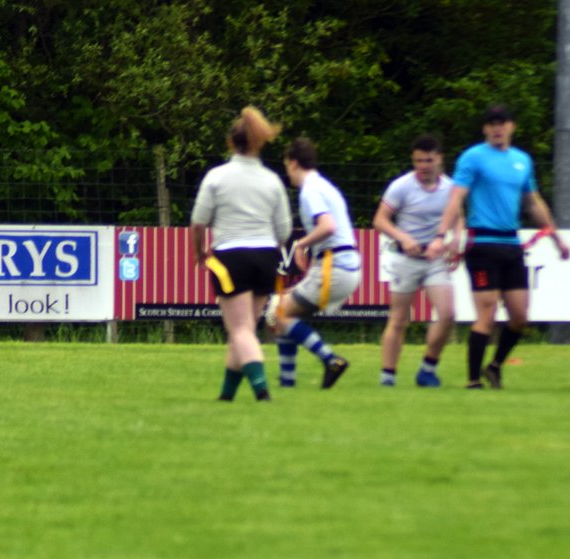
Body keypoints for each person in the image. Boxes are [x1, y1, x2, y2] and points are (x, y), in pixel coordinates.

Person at [438, 104, 570, 389]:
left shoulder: (522, 160)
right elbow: (456, 197)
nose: (497, 128)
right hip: (482, 244)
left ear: (512, 126)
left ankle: (495, 366)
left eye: (503, 123)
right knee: (486, 314)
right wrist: (442, 235)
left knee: (520, 316)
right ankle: (473, 380)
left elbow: (533, 202)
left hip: (511, 244)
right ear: (485, 128)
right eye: (492, 123)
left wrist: (556, 237)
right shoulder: (473, 157)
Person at [188, 106, 290, 402]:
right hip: (266, 256)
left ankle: (261, 389)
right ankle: (226, 396)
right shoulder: (272, 180)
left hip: (231, 257)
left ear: (231, 142)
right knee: (243, 329)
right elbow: (284, 230)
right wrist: (270, 252)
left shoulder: (217, 177)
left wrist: (200, 252)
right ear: (259, 142)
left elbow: (198, 223)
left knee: (240, 329)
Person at [266, 137, 358, 389]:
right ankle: (287, 382)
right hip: (344, 265)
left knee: (278, 312)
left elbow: (328, 226)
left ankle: (330, 360)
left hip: (335, 266)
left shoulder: (310, 190)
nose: (288, 173)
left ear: (294, 163)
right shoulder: (325, 186)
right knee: (283, 309)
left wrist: (301, 244)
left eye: (287, 166)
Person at [373, 134, 456, 387]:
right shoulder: (401, 186)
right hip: (405, 258)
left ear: (439, 159)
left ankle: (427, 369)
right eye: (418, 161)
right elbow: (380, 220)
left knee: (447, 314)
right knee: (399, 319)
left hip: (434, 259)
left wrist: (455, 240)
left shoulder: (450, 187)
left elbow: (458, 216)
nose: (423, 166)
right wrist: (403, 238)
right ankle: (388, 376)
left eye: (428, 161)